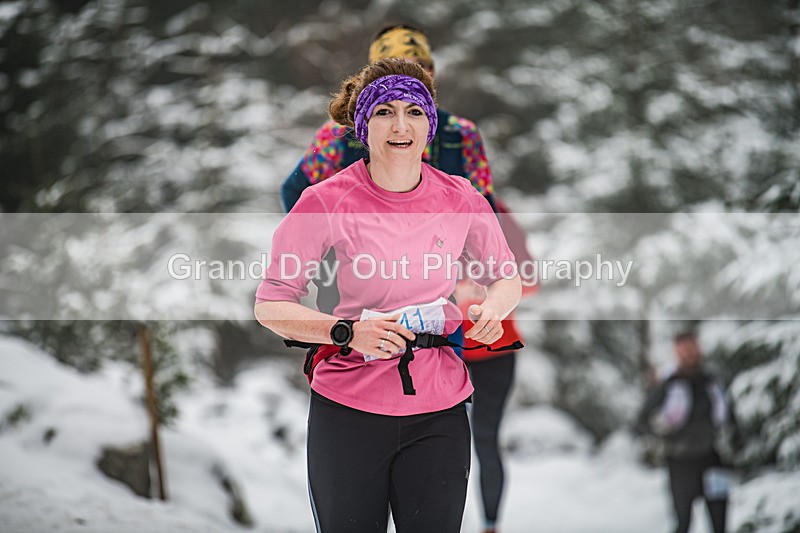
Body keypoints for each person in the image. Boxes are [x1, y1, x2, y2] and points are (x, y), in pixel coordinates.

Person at [279, 24, 536, 533]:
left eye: (421, 80)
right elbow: (296, 194)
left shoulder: (460, 136)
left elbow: (487, 214)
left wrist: (476, 285)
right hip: (357, 318)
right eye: (388, 100)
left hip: (450, 317)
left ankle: (489, 522)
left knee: (483, 433)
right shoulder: (337, 140)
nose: (402, 120)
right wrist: (329, 256)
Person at [635, 331, 738, 533]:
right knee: (683, 522)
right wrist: (663, 436)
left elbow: (730, 413)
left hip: (712, 457)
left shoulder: (713, 381)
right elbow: (642, 420)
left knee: (720, 521)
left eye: (693, 349)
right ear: (676, 353)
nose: (689, 354)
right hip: (680, 462)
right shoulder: (668, 385)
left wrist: (737, 440)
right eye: (684, 350)